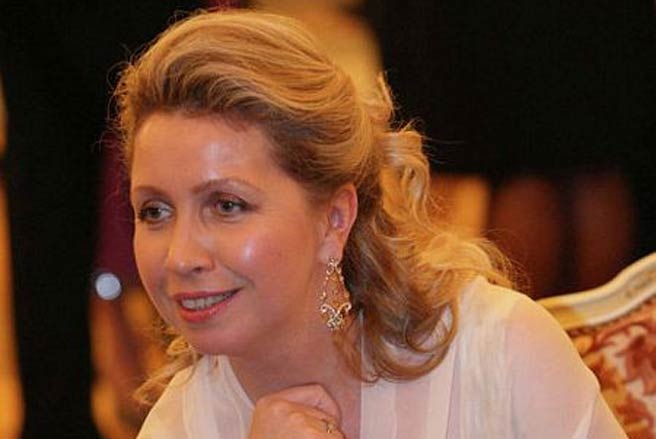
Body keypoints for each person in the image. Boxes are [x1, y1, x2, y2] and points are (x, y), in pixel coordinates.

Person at [114, 10, 627, 438]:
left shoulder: (497, 355)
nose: (180, 257)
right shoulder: (180, 424)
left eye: (227, 205)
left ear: (334, 219)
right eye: (154, 211)